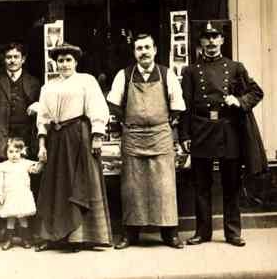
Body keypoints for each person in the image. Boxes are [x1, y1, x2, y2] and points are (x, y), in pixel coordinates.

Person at [179, 21, 264, 247]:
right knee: (202, 185)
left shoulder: (235, 67)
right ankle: (202, 232)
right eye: (206, 38)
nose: (211, 42)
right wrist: (184, 136)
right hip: (201, 129)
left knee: (231, 183)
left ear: (222, 41)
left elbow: (256, 92)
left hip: (229, 131)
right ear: (200, 43)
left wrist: (239, 100)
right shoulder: (190, 71)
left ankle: (233, 232)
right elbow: (185, 106)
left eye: (215, 37)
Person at [107, 33, 186, 249]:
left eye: (147, 47)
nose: (143, 52)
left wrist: (168, 124)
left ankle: (170, 234)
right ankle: (130, 234)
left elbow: (177, 104)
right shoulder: (123, 75)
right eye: (139, 48)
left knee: (165, 186)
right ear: (134, 52)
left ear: (155, 50)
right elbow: (114, 104)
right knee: (132, 187)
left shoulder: (166, 74)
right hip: (133, 137)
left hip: (160, 135)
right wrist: (126, 122)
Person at [35, 43, 112, 252]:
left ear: (76, 62)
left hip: (79, 136)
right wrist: (42, 144)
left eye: (68, 60)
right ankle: (53, 237)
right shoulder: (48, 86)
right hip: (57, 139)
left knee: (80, 182)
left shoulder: (86, 81)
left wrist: (97, 136)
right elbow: (43, 117)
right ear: (55, 63)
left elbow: (97, 107)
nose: (64, 64)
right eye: (60, 61)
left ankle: (79, 237)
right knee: (56, 185)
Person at [0, 42, 41, 242]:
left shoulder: (33, 82)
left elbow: (45, 111)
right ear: (4, 60)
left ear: (23, 59)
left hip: (25, 140)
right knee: (2, 184)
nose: (12, 61)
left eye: (16, 57)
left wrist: (39, 105)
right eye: (8, 57)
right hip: (0, 139)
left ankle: (25, 229)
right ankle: (2, 227)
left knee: (25, 184)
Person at [0, 138, 43, 251]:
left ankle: (24, 239)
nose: (14, 155)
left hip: (22, 194)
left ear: (22, 151)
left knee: (22, 217)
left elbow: (36, 170)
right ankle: (9, 240)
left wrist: (41, 162)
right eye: (11, 152)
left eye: (17, 151)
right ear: (6, 153)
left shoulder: (25, 163)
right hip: (9, 195)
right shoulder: (3, 166)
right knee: (10, 217)